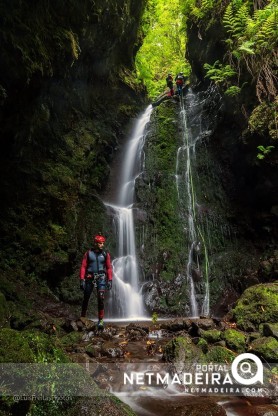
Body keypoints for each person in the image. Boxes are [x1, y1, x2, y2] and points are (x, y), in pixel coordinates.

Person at [79, 234, 113, 329]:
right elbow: (83, 266)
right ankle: (83, 317)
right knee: (86, 297)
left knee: (101, 298)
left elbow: (109, 267)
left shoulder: (105, 254)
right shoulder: (88, 254)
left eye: (103, 243)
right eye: (100, 243)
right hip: (89, 278)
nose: (102, 245)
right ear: (95, 243)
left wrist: (110, 280)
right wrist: (82, 279)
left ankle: (101, 320)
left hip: (101, 278)